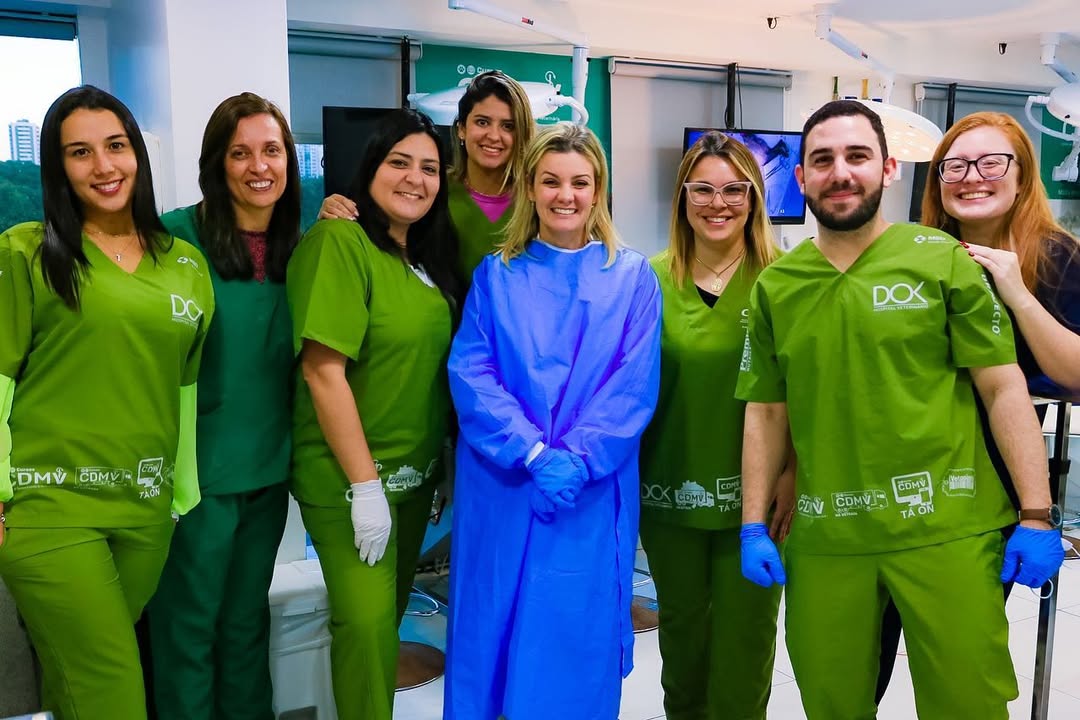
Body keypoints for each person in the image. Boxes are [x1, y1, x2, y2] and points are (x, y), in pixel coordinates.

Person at [735, 100, 1065, 719]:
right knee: (832, 704)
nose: (841, 172)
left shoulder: (942, 259)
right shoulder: (777, 286)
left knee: (968, 703)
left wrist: (1037, 513)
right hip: (828, 535)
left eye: (857, 156)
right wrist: (753, 523)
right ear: (800, 177)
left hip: (949, 527)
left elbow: (1003, 388)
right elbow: (767, 410)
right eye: (822, 160)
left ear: (887, 169)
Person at [0, 85, 214, 720]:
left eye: (116, 146)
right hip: (50, 506)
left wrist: (179, 497)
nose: (104, 166)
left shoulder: (186, 265)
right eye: (80, 152)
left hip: (146, 511)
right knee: (114, 690)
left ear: (137, 154)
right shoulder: (27, 251)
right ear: (58, 167)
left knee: (78, 685)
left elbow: (182, 388)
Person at [443, 122, 662, 720]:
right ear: (530, 188)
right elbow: (472, 371)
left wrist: (577, 460)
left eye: (580, 182)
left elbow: (632, 385)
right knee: (494, 627)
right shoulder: (497, 275)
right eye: (551, 181)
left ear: (599, 191)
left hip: (588, 493)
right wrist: (533, 454)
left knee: (571, 634)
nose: (566, 195)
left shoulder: (632, 278)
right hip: (506, 485)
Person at [875, 110, 1080, 703]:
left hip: (990, 487)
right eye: (955, 166)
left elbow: (1073, 374)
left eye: (991, 162)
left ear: (1022, 174)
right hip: (895, 480)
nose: (972, 177)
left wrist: (1016, 292)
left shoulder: (1056, 257)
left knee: (959, 665)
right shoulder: (915, 254)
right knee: (869, 655)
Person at [285, 107, 461, 720]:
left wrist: (441, 464)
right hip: (351, 481)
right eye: (399, 162)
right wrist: (364, 486)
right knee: (363, 626)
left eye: (430, 168)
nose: (415, 178)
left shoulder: (425, 259)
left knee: (385, 625)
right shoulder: (339, 242)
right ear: (370, 170)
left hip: (414, 481)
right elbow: (322, 370)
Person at [146, 92, 301, 720]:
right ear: (216, 163)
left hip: (267, 471)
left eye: (272, 150)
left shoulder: (301, 247)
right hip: (195, 476)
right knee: (188, 629)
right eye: (240, 153)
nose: (259, 166)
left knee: (245, 627)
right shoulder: (173, 239)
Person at [639, 131, 789, 720]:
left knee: (746, 643)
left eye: (734, 190)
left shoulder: (782, 279)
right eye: (701, 189)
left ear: (754, 199)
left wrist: (795, 473)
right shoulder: (647, 279)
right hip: (668, 493)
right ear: (682, 198)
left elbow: (806, 392)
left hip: (758, 503)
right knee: (682, 639)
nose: (717, 203)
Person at [318, 69, 534, 282]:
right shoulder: (428, 191)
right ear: (461, 128)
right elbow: (375, 236)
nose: (494, 136)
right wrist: (336, 211)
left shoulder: (535, 200)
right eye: (482, 122)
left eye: (508, 126)